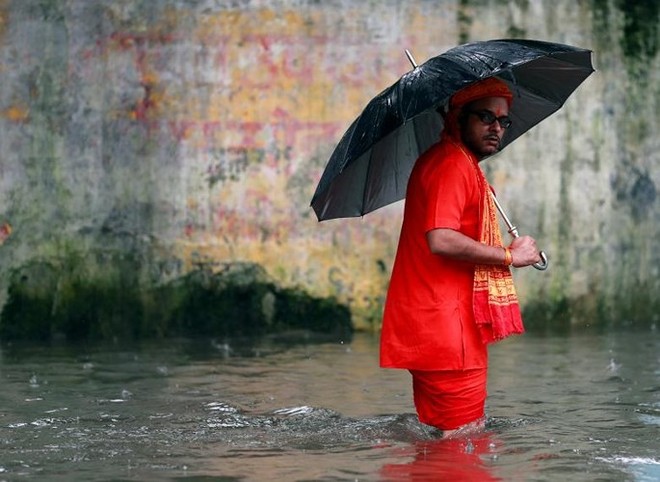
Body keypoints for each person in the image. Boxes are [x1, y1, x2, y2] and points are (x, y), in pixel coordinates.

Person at [380, 77, 542, 438]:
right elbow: (441, 239)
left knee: (443, 442)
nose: (497, 128)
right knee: (462, 447)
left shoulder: (459, 164)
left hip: (444, 327)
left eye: (504, 121)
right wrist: (508, 256)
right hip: (447, 332)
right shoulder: (451, 164)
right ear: (457, 117)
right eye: (486, 117)